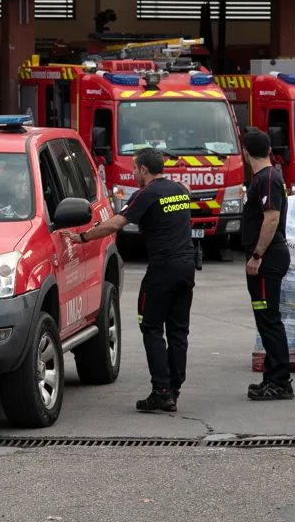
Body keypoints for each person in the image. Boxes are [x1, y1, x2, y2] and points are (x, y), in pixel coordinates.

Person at [63, 147, 195, 413]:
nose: (133, 173)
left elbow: (114, 224)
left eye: (135, 168)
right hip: (186, 268)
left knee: (151, 326)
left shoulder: (146, 195)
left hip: (162, 271)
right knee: (178, 331)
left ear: (144, 170)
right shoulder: (179, 191)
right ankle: (173, 389)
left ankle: (161, 390)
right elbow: (187, 192)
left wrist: (83, 237)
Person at [241, 129, 294, 401]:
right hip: (268, 257)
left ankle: (280, 382)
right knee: (265, 319)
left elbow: (271, 219)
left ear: (246, 152)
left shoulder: (267, 178)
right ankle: (271, 377)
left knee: (270, 320)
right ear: (270, 149)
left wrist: (257, 256)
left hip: (268, 258)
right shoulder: (267, 177)